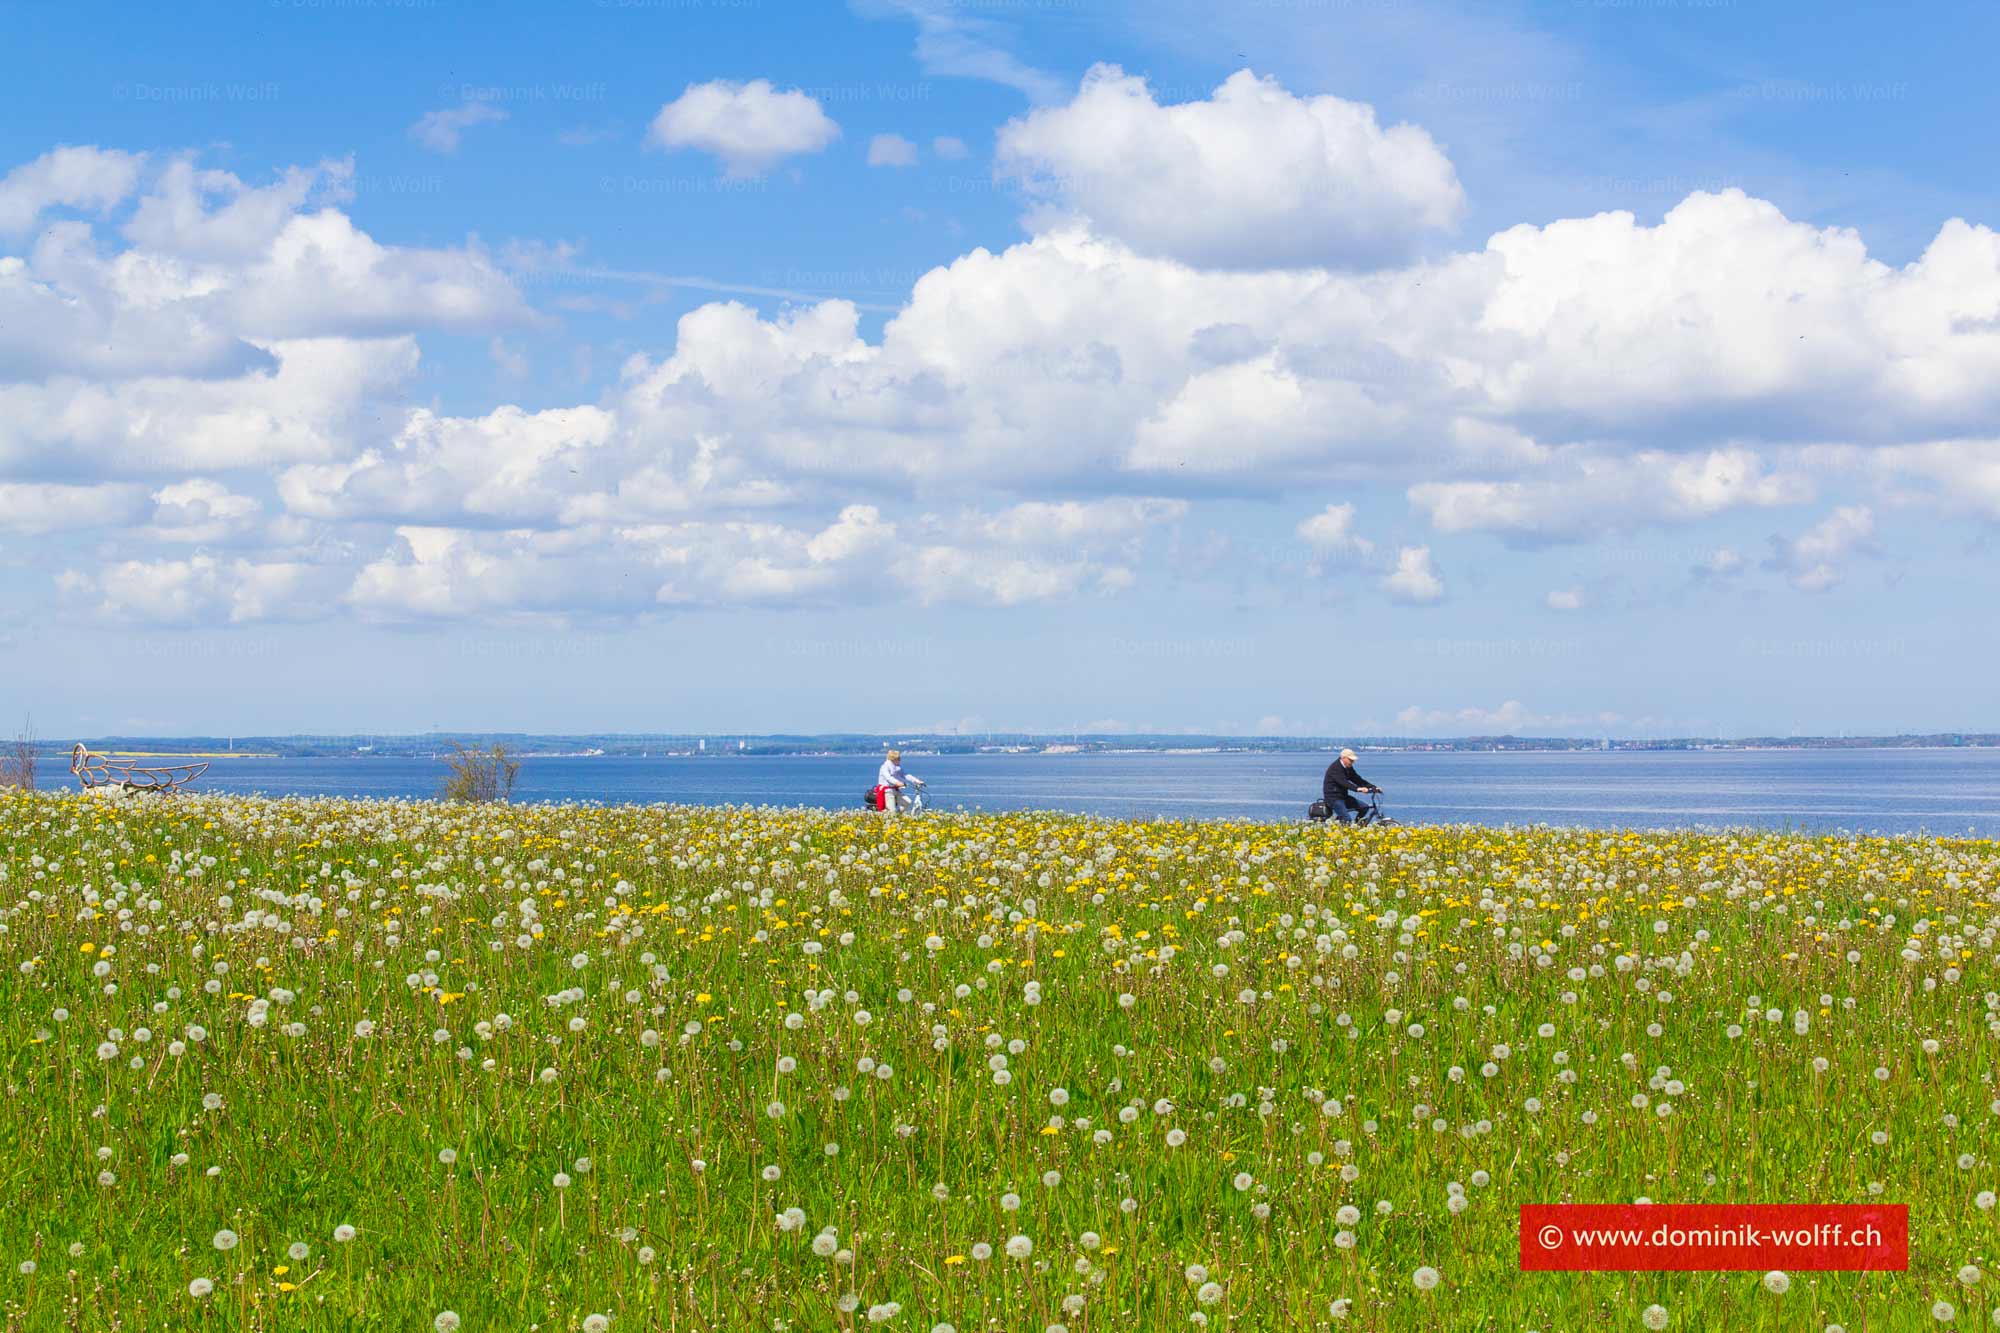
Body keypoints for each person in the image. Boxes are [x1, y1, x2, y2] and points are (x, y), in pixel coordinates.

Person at [1322, 748, 1381, 824]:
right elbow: (1344, 782)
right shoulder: (1335, 768)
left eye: (1353, 760)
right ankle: (1346, 832)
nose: (1352, 762)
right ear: (1343, 758)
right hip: (1333, 798)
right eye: (1350, 760)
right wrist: (1358, 789)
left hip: (1343, 797)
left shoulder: (1348, 767)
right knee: (1347, 819)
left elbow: (1357, 779)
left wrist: (1373, 787)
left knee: (1364, 807)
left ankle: (1357, 827)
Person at [876, 749, 922, 815]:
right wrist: (897, 782)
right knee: (892, 810)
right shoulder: (885, 767)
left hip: (895, 789)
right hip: (887, 791)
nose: (900, 760)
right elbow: (888, 778)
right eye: (898, 758)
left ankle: (896, 815)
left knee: (907, 802)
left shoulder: (897, 767)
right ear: (893, 759)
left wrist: (916, 781)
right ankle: (891, 817)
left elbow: (905, 775)